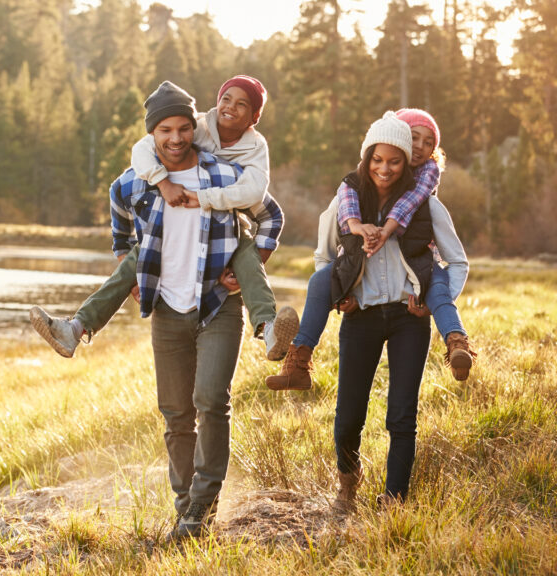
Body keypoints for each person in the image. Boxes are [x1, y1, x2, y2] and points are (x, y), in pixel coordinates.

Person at [101, 82, 284, 538]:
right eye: (165, 130)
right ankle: (185, 507)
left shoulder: (223, 175)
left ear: (193, 128)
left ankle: (201, 508)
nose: (177, 138)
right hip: (166, 306)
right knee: (175, 413)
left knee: (211, 402)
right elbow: (120, 222)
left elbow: (271, 214)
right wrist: (131, 272)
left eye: (184, 128)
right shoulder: (135, 180)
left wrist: (249, 263)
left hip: (218, 303)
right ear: (152, 135)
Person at [29, 76, 297, 362]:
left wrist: (250, 263)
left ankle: (268, 329)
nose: (176, 137)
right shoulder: (199, 126)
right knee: (137, 258)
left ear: (255, 117)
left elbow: (260, 196)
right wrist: (163, 183)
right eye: (226, 99)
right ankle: (75, 329)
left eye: (242, 104)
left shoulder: (254, 149)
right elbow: (142, 150)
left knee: (246, 255)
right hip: (172, 229)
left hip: (229, 226)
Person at [311, 112, 469, 511]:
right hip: (360, 317)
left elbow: (458, 262)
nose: (387, 167)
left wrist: (433, 302)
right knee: (348, 415)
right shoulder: (347, 201)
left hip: (407, 319)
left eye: (397, 159)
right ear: (370, 158)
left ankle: (395, 497)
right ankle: (348, 483)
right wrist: (339, 294)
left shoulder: (427, 206)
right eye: (380, 159)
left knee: (402, 415)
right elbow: (323, 257)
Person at [266, 108, 475, 392]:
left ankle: (457, 341)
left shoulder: (425, 189)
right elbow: (327, 247)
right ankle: (298, 359)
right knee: (319, 281)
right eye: (414, 138)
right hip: (362, 300)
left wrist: (386, 230)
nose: (421, 147)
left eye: (429, 143)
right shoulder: (352, 188)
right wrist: (342, 292)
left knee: (438, 286)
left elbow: (415, 208)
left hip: (417, 276)